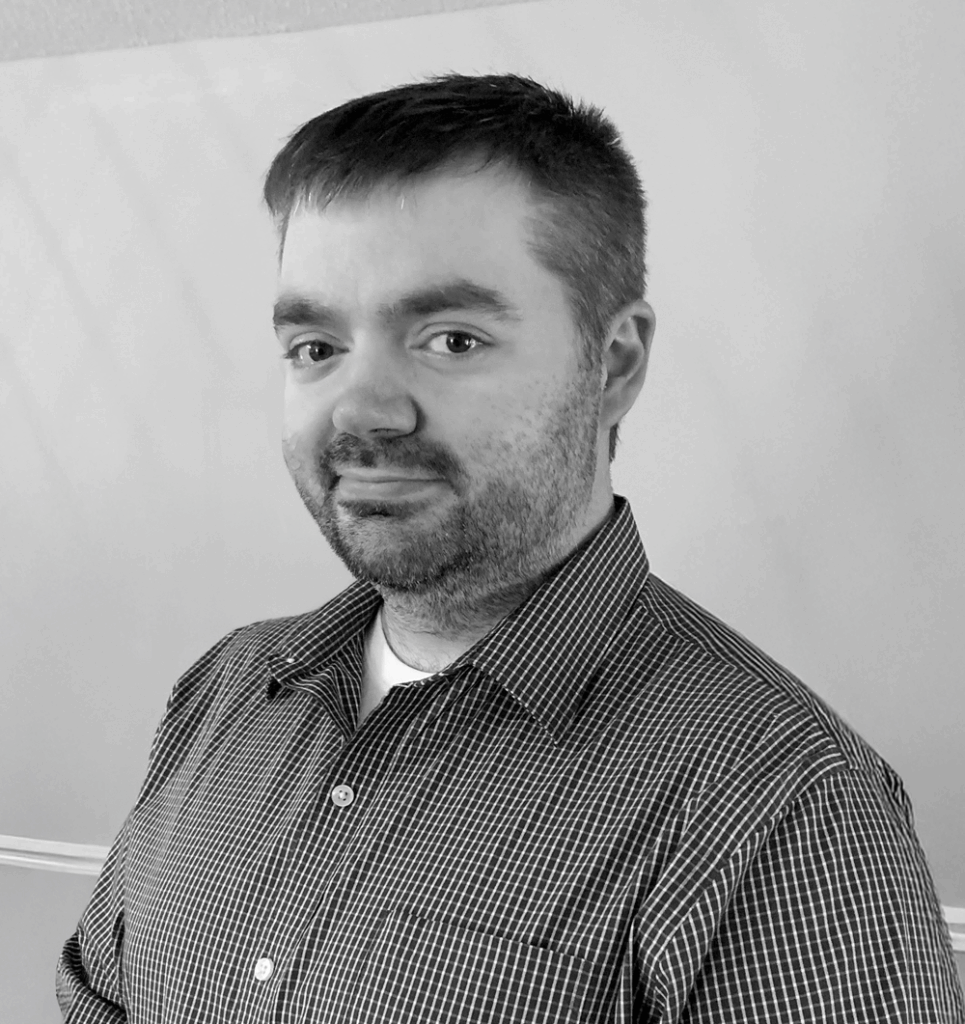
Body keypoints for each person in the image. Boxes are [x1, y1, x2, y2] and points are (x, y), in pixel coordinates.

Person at [57, 72, 963, 1023]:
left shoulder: (782, 808)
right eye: (316, 347)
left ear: (612, 364)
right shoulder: (225, 691)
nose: (361, 409)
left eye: (450, 338)